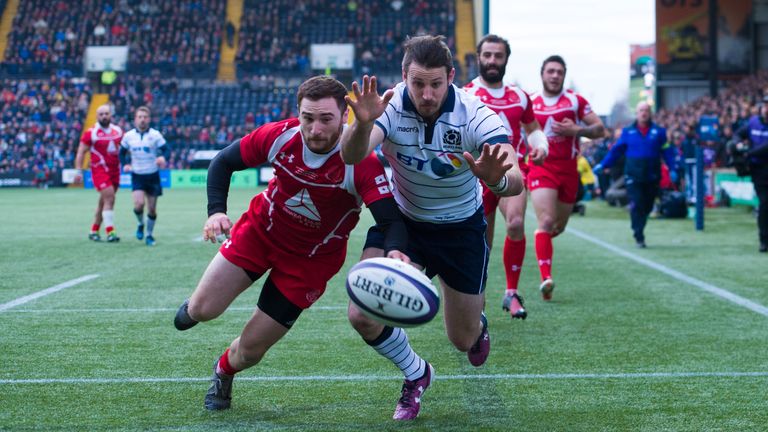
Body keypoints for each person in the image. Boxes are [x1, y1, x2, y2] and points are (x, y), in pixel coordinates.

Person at [172, 76, 408, 411]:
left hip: (308, 264)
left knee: (250, 351)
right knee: (202, 310)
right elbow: (223, 163)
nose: (314, 129)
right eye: (307, 118)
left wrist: (396, 252)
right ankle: (195, 305)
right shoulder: (280, 135)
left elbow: (390, 221)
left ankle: (223, 372)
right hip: (259, 234)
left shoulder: (362, 163)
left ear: (345, 117)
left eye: (326, 119)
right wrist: (216, 213)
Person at [340, 35, 523, 421]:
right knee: (362, 314)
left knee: (462, 340)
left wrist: (497, 181)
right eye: (417, 83)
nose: (426, 94)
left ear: (451, 77)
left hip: (461, 230)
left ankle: (477, 325)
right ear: (404, 76)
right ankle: (416, 373)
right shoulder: (387, 106)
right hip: (405, 225)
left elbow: (516, 179)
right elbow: (351, 155)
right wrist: (364, 123)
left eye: (435, 84)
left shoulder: (477, 113)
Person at [462, 34, 548, 320]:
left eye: (498, 56)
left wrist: (541, 145)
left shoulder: (519, 96)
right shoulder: (466, 94)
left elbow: (533, 126)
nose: (492, 61)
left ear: (506, 59)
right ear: (479, 57)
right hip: (477, 176)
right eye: (487, 55)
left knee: (516, 223)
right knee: (481, 244)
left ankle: (511, 292)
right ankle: (479, 303)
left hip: (512, 171)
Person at [529, 55, 605, 300]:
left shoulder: (575, 101)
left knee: (558, 227)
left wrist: (577, 130)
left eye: (559, 72)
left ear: (564, 75)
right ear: (542, 74)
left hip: (569, 169)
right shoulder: (531, 102)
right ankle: (546, 278)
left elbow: (600, 129)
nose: (554, 75)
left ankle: (543, 242)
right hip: (542, 167)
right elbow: (519, 134)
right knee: (547, 221)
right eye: (550, 71)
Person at [593, 102, 676, 247]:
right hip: (633, 175)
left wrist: (673, 168)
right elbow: (616, 150)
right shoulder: (627, 132)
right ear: (637, 113)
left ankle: (639, 227)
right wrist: (604, 164)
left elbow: (667, 152)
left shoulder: (659, 132)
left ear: (650, 113)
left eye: (646, 110)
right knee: (637, 203)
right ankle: (638, 235)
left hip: (652, 175)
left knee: (648, 206)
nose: (644, 113)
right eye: (641, 110)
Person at [119, 106, 170, 246]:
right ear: (135, 119)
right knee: (139, 205)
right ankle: (140, 223)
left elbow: (167, 150)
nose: (142, 120)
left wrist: (163, 158)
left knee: (152, 209)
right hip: (138, 175)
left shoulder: (155, 135)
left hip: (153, 175)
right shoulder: (128, 136)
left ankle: (149, 235)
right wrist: (125, 164)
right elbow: (121, 153)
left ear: (149, 119)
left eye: (145, 117)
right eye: (139, 117)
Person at [74, 104, 124, 242]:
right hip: (99, 171)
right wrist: (79, 171)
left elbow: (125, 148)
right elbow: (81, 152)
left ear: (110, 115)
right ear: (97, 116)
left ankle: (94, 230)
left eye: (106, 113)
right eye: (101, 114)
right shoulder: (91, 132)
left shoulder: (118, 131)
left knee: (104, 202)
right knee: (110, 198)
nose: (104, 116)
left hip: (115, 171)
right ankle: (110, 232)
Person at [734, 103, 768, 252]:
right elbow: (737, 134)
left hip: (759, 160)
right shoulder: (753, 122)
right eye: (766, 106)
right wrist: (737, 144)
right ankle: (764, 240)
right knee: (765, 203)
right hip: (759, 170)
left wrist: (748, 153)